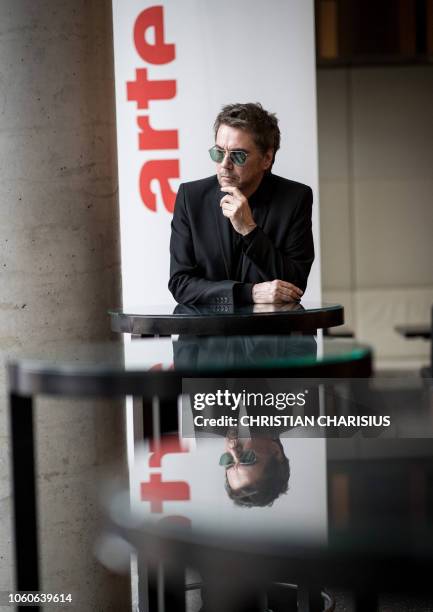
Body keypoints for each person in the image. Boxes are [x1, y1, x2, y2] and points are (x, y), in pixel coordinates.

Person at [169, 102, 314, 305]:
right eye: (219, 152)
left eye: (238, 155)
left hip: (270, 333)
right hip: (207, 333)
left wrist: (249, 230)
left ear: (267, 158)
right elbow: (180, 283)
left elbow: (295, 284)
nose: (224, 164)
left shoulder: (295, 198)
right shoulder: (190, 197)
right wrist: (248, 293)